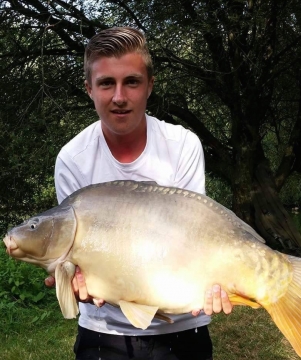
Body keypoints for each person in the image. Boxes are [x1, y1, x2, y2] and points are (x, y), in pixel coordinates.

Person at [46, 27, 233, 360]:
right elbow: (73, 261)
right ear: (89, 89)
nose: (119, 96)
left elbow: (195, 236)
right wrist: (74, 281)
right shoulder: (72, 159)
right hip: (104, 332)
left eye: (131, 82)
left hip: (182, 323)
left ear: (149, 86)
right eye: (106, 83)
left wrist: (220, 279)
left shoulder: (182, 145)